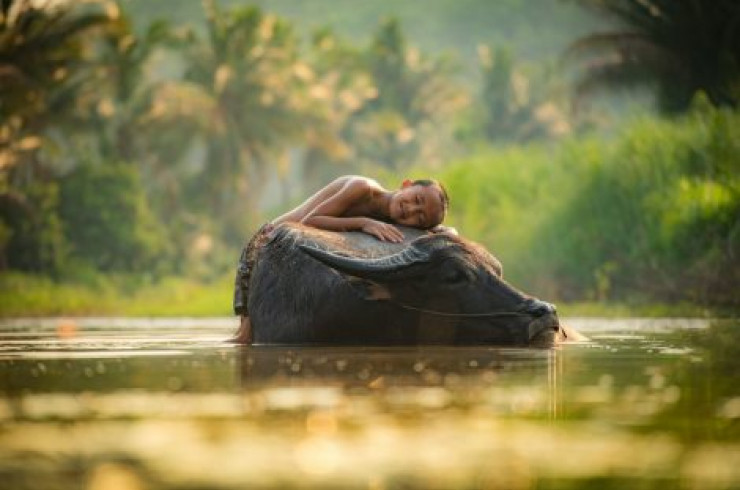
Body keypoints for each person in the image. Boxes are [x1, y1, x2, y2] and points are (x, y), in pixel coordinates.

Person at [231, 175, 450, 343]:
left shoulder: (395, 217)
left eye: (419, 217)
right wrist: (364, 223)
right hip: (268, 241)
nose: (410, 209)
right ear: (406, 184)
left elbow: (442, 232)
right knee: (246, 337)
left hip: (298, 251)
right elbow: (310, 221)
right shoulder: (362, 189)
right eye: (416, 199)